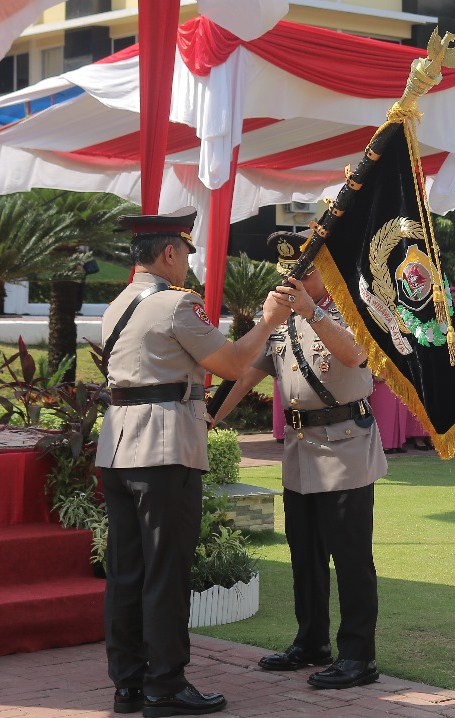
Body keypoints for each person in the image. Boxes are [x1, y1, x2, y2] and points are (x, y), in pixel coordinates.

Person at [96, 209, 288, 717]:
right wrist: (268, 321)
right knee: (166, 571)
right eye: (185, 254)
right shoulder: (179, 305)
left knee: (127, 572)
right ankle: (166, 685)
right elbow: (229, 363)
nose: (187, 265)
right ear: (169, 253)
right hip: (164, 450)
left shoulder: (116, 305)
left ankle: (129, 685)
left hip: (117, 448)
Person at [213, 229, 388, 689]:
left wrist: (311, 313)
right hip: (300, 451)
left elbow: (354, 355)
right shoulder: (280, 325)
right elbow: (244, 378)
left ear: (323, 277)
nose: (291, 282)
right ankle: (310, 642)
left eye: (303, 274)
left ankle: (359, 656)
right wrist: (208, 418)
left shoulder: (353, 311)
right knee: (304, 554)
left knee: (350, 558)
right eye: (287, 274)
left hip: (346, 447)